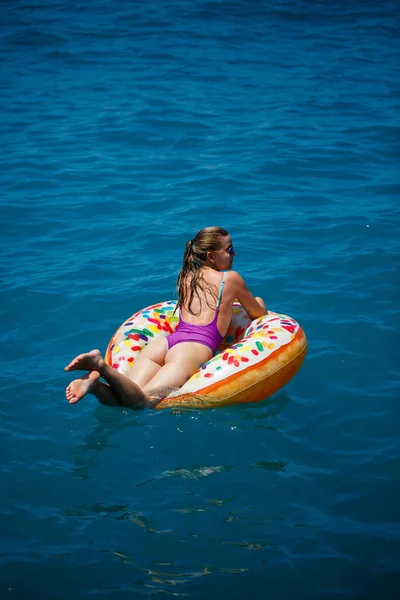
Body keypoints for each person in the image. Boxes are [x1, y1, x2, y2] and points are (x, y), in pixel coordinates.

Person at [65, 226, 267, 409]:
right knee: (142, 402)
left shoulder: (188, 276)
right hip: (193, 350)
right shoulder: (231, 279)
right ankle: (101, 366)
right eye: (229, 249)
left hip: (166, 344)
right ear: (211, 256)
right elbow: (258, 315)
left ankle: (94, 385)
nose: (234, 254)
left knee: (126, 397)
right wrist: (259, 300)